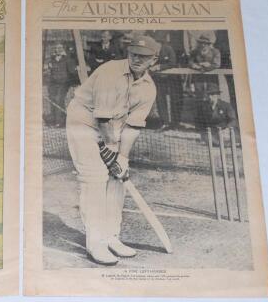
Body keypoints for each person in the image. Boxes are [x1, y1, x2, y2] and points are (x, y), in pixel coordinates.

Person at [66, 36, 160, 265]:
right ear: (128, 53)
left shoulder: (149, 88)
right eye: (134, 53)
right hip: (84, 123)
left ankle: (111, 237)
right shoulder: (110, 72)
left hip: (114, 128)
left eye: (144, 56)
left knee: (117, 179)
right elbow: (103, 118)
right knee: (95, 179)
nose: (137, 59)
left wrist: (123, 157)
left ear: (153, 60)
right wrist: (110, 150)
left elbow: (134, 125)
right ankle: (96, 243)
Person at [188, 32, 221, 129]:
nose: (203, 45)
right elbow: (190, 62)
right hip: (199, 80)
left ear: (209, 44)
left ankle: (213, 124)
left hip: (211, 80)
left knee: (212, 100)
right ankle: (200, 125)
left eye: (205, 43)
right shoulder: (194, 52)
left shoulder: (215, 52)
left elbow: (216, 64)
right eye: (201, 42)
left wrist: (207, 66)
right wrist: (196, 66)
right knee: (199, 100)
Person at [149, 33, 178, 130]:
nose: (154, 45)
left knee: (173, 101)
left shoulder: (168, 49)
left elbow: (173, 63)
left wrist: (160, 66)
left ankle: (174, 124)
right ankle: (164, 122)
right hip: (158, 80)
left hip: (171, 80)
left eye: (156, 43)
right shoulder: (152, 51)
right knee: (160, 100)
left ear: (161, 43)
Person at [47, 43, 77, 127]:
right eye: (57, 48)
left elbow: (72, 72)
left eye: (60, 47)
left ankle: (60, 122)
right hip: (53, 83)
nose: (58, 49)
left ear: (63, 49)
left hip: (63, 84)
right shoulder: (52, 59)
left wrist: (73, 82)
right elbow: (50, 71)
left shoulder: (67, 59)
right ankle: (54, 120)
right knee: (52, 100)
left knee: (59, 99)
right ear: (55, 49)